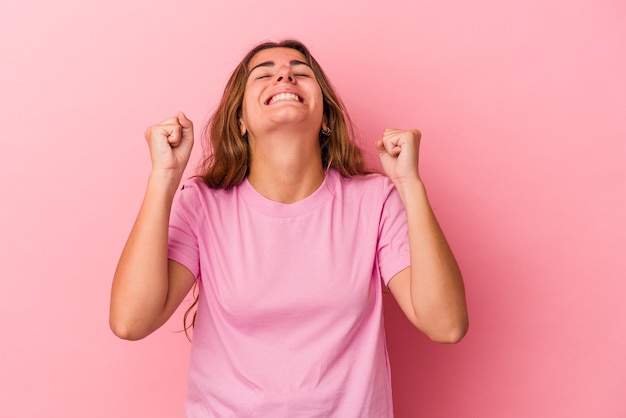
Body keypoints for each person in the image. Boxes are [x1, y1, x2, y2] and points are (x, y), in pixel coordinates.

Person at [110, 39, 468, 417]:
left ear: (326, 117)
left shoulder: (374, 200)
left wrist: (410, 185)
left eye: (301, 73)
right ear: (240, 122)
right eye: (264, 74)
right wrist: (163, 178)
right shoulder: (203, 205)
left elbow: (446, 325)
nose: (284, 75)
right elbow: (131, 321)